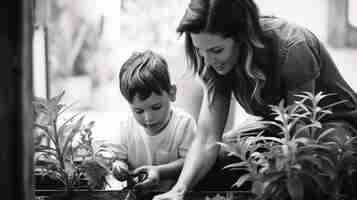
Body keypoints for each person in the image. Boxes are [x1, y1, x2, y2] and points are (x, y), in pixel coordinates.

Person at [153, 0, 357, 199]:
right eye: (200, 49)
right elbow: (207, 138)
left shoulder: (293, 47)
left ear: (242, 37)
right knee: (218, 162)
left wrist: (268, 172)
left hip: (331, 126)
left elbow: (299, 140)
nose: (207, 60)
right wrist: (178, 190)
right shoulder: (210, 59)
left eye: (217, 50)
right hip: (276, 128)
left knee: (305, 177)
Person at [98, 50, 196, 191]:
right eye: (138, 111)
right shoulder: (126, 127)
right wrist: (118, 167)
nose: (148, 118)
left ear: (172, 93)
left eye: (156, 107)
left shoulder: (184, 124)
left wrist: (160, 172)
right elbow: (116, 158)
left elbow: (191, 161)